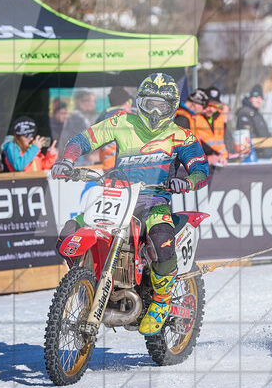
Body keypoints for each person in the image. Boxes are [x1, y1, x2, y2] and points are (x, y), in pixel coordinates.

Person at [51, 73, 210, 336]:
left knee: (161, 241)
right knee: (69, 233)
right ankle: (86, 281)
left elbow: (201, 169)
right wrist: (68, 160)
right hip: (116, 196)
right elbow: (83, 139)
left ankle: (161, 302)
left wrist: (186, 181)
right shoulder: (122, 122)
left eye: (161, 105)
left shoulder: (181, 136)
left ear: (172, 107)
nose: (155, 111)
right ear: (140, 103)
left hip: (155, 201)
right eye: (150, 104)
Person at [176, 88, 228, 166]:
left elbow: (197, 142)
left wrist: (214, 154)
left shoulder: (189, 117)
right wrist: (204, 159)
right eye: (204, 107)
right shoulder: (181, 120)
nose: (204, 110)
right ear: (196, 104)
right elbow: (182, 149)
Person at [235, 85, 272, 160]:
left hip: (265, 156)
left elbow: (264, 133)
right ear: (250, 98)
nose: (259, 100)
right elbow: (247, 138)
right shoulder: (245, 113)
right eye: (256, 97)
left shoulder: (256, 114)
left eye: (260, 98)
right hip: (255, 157)